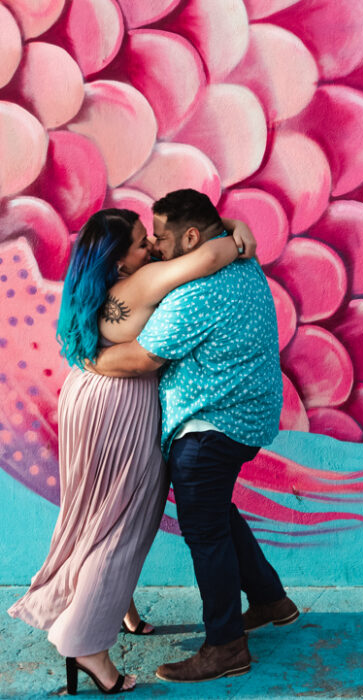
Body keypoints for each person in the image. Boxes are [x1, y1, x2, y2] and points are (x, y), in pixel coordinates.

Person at [8, 207, 256, 695]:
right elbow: (209, 258)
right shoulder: (141, 284)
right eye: (143, 243)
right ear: (119, 262)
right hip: (121, 405)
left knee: (95, 510)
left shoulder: (89, 288)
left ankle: (122, 609)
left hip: (84, 397)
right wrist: (239, 231)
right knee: (123, 521)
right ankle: (86, 644)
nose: (153, 249)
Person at [91, 189, 299, 684]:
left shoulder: (197, 293)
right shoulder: (241, 260)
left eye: (160, 238)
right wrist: (230, 223)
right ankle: (272, 600)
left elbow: (142, 358)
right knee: (217, 514)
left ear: (189, 237)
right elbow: (217, 232)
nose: (157, 248)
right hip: (246, 418)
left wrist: (88, 358)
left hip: (210, 429)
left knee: (204, 531)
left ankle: (226, 646)